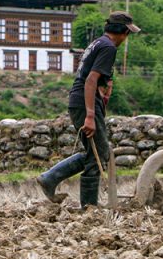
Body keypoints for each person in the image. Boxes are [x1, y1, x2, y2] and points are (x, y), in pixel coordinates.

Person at [35, 11, 140, 207]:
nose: (126, 38)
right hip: (84, 103)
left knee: (97, 152)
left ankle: (51, 178)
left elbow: (95, 79)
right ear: (123, 32)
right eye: (128, 34)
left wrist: (104, 91)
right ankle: (89, 206)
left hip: (79, 101)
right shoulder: (109, 47)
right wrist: (90, 115)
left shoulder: (98, 43)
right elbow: (90, 80)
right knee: (99, 154)